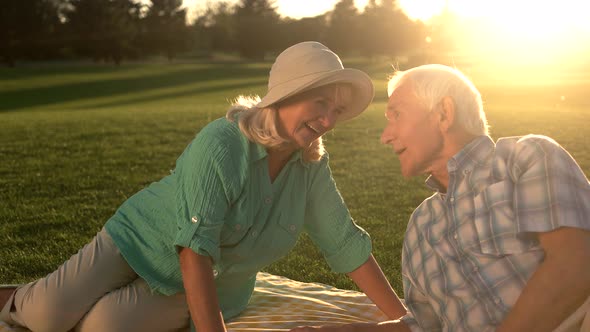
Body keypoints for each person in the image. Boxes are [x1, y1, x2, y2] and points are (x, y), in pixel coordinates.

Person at [0, 41, 407, 332]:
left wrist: (406, 321)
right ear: (287, 94)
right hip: (140, 240)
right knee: (46, 317)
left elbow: (344, 242)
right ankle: (19, 296)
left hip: (214, 284)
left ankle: (68, 298)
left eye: (336, 110)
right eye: (320, 102)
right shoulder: (224, 142)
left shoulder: (311, 165)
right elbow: (195, 248)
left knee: (105, 326)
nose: (328, 121)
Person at [290, 64, 590, 332]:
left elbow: (576, 262)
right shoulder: (421, 226)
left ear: (443, 114)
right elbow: (421, 326)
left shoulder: (524, 160)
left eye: (396, 116)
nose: (385, 136)